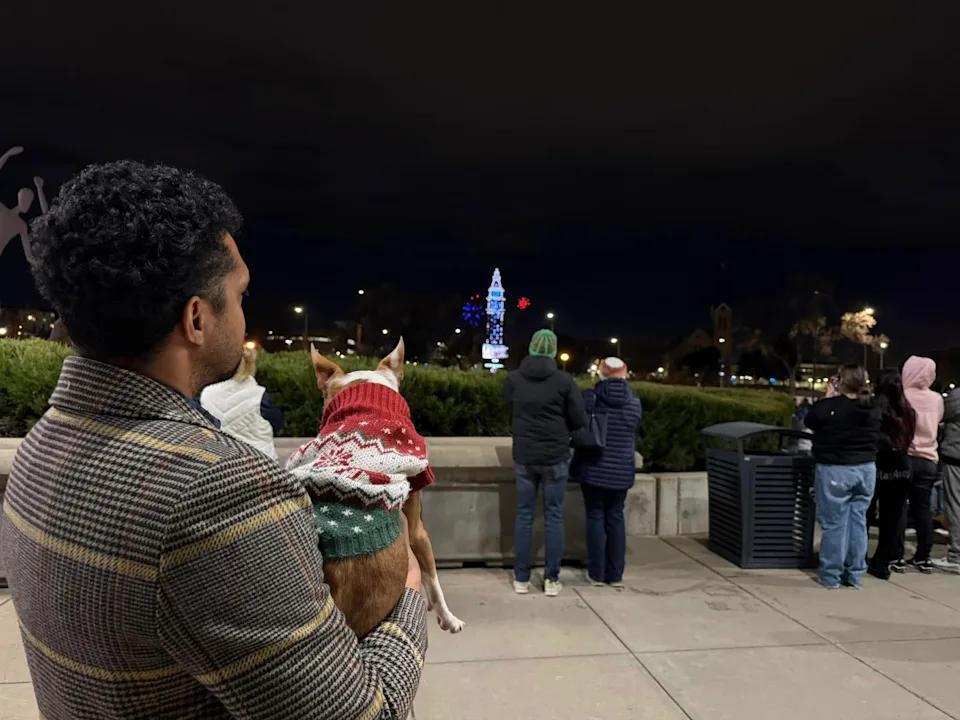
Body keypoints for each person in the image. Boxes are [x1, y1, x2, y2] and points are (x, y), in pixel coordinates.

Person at [0, 161, 426, 719]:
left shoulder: (43, 445)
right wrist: (409, 596)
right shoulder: (216, 490)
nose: (244, 313)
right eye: (241, 294)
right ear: (196, 318)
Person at [503, 329, 586, 597]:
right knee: (554, 516)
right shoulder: (564, 381)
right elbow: (578, 419)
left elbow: (507, 409)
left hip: (525, 456)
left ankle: (521, 578)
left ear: (531, 347)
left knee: (524, 516)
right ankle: (551, 579)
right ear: (552, 350)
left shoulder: (514, 379)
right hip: (556, 456)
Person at [805, 365, 880, 589]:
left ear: (840, 381)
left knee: (833, 524)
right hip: (866, 469)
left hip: (835, 468)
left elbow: (811, 421)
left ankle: (831, 575)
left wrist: (829, 397)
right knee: (858, 522)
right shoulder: (873, 407)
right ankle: (855, 574)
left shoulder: (830, 407)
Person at [571, 357, 642, 588]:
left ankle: (596, 572)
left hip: (593, 467)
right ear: (625, 374)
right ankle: (616, 573)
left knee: (595, 515)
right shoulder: (634, 402)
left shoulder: (590, 398)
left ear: (600, 374)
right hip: (621, 469)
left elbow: (578, 426)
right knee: (616, 517)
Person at [867, 369, 917, 580]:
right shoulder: (909, 411)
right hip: (901, 464)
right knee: (892, 518)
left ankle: (858, 557)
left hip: (876, 461)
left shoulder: (872, 409)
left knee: (865, 513)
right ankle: (882, 563)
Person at [901, 355, 945, 573]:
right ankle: (923, 556)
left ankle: (895, 555)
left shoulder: (904, 396)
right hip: (929, 458)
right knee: (923, 509)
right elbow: (937, 421)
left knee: (899, 507)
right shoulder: (937, 399)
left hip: (906, 457)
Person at [201, 345, 284, 459]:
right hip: (260, 462)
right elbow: (277, 423)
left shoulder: (207, 394)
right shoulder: (259, 395)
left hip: (220, 462)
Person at [932, 389, 960, 573]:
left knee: (956, 505)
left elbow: (939, 413)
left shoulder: (957, 397)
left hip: (956, 459)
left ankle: (956, 555)